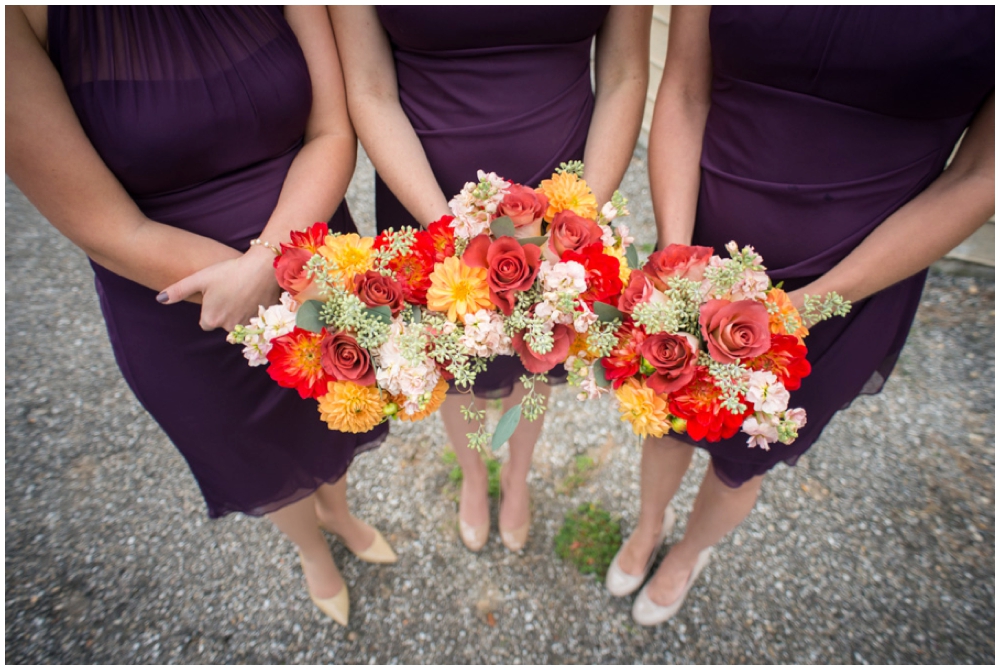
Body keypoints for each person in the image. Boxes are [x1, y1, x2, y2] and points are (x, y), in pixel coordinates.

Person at [5, 5, 399, 627]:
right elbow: (106, 227)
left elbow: (331, 131)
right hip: (179, 303)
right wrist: (255, 284)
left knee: (332, 416)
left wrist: (271, 264)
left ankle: (341, 515)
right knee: (259, 449)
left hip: (309, 255)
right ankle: (309, 548)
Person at [608, 6, 994, 626]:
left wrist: (809, 306)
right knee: (667, 416)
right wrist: (677, 257)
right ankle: (648, 526)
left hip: (855, 279)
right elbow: (683, 88)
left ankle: (688, 552)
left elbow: (982, 173)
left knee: (746, 457)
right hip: (707, 241)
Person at [331, 6, 652, 552]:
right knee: (455, 358)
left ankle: (518, 473)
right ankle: (474, 475)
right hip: (426, 193)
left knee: (540, 353)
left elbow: (625, 73)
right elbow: (368, 88)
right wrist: (445, 233)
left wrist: (575, 224)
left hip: (562, 194)